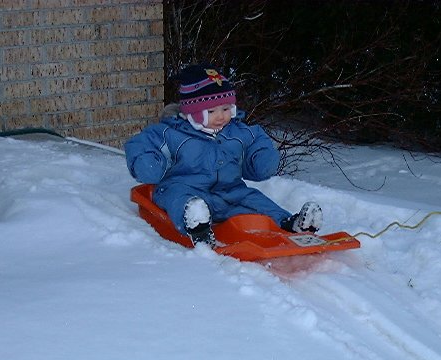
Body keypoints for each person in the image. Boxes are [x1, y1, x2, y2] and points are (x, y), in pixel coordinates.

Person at [125, 64, 322, 247]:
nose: (221, 116)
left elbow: (256, 141)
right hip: (184, 188)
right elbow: (141, 144)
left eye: (226, 108)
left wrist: (262, 158)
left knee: (253, 198)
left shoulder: (237, 132)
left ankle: (289, 223)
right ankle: (196, 224)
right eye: (211, 111)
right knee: (178, 197)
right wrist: (147, 164)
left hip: (229, 191)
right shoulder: (171, 133)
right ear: (192, 111)